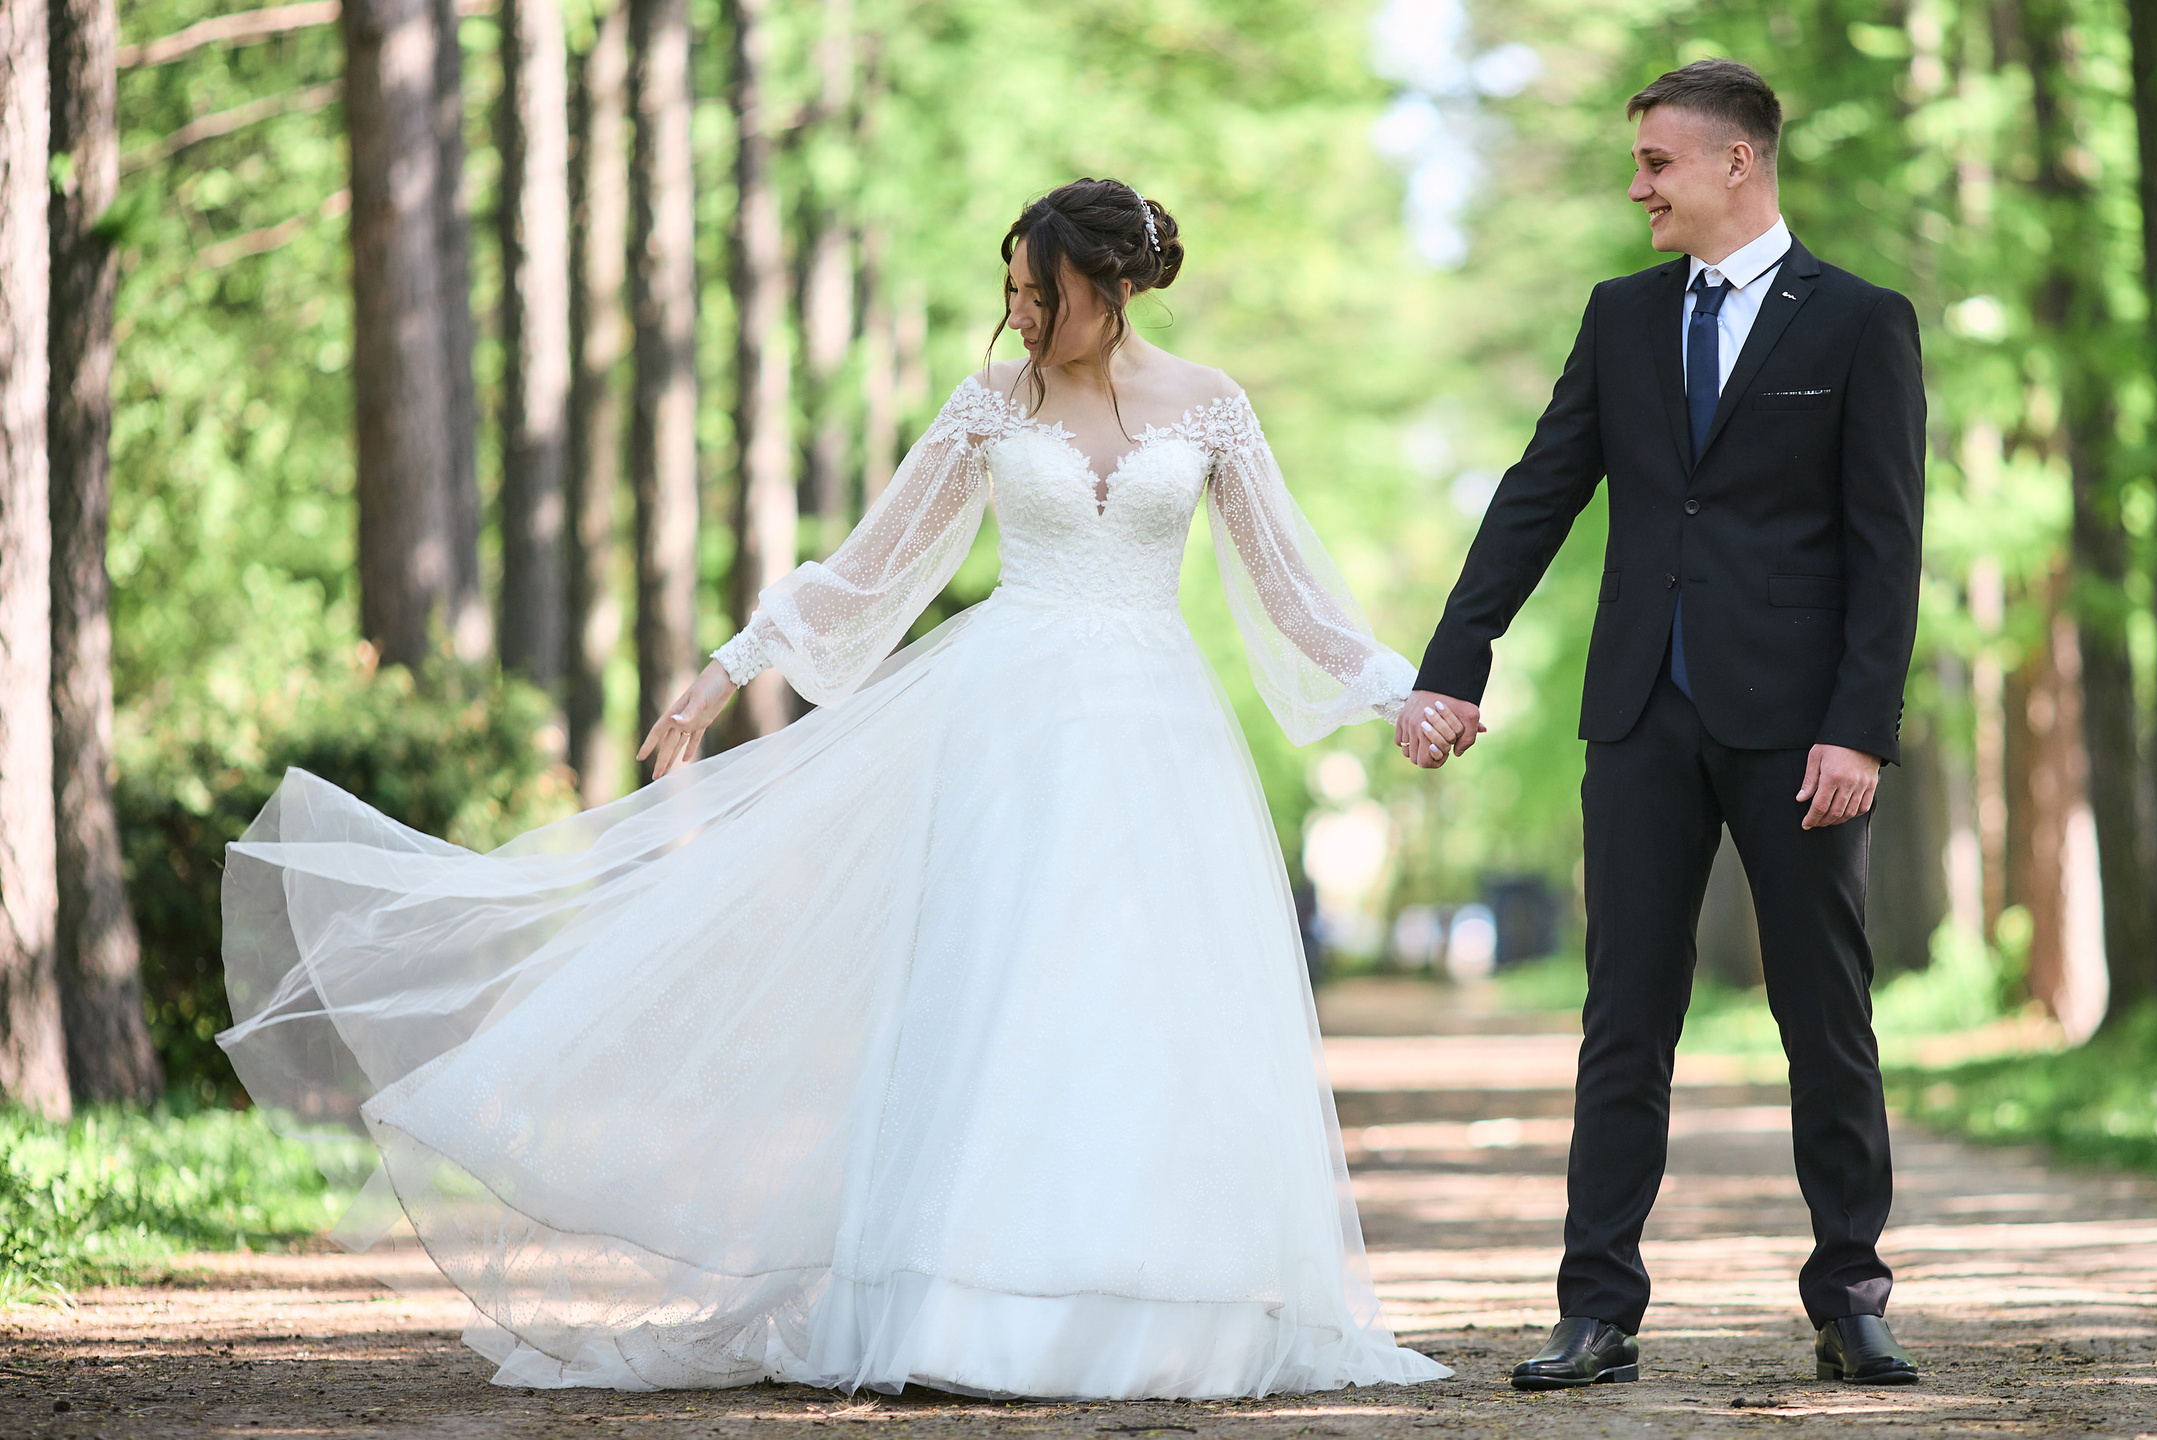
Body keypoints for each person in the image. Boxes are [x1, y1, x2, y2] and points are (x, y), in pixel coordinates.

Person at [219, 178, 1459, 1402]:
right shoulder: (987, 407)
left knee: (1138, 991)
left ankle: (1150, 1305)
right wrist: (725, 669)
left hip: (1156, 735)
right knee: (998, 986)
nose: (1020, 313)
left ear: (1114, 284)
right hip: (1007, 729)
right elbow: (870, 569)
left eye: (1044, 292)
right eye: (1013, 291)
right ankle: (956, 1303)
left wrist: (1398, 691)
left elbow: (1291, 589)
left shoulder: (1210, 408)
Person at [1395, 59, 1926, 1389]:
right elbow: (1539, 490)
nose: (1638, 186)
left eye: (1658, 164)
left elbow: (1888, 542)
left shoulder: (1862, 321)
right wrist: (1456, 661)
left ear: (1738, 162)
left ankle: (1851, 1297)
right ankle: (1598, 1310)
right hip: (1640, 713)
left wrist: (1860, 728)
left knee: (1825, 1013)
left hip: (1800, 727)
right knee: (1624, 1015)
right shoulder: (1621, 317)